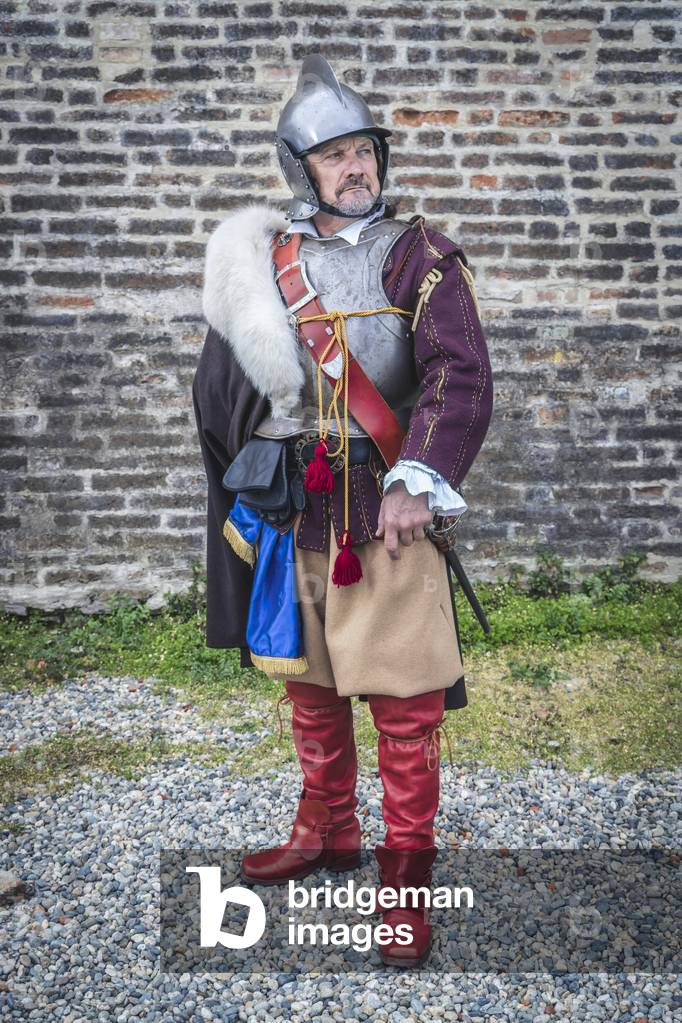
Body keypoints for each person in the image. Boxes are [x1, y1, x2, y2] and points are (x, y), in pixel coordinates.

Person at [192, 54, 494, 968]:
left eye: (364, 150)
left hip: (388, 511)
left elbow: (461, 375)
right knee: (310, 689)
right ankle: (326, 828)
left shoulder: (420, 256)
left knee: (404, 708)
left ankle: (404, 885)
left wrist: (417, 478)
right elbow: (224, 385)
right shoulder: (266, 264)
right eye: (334, 156)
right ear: (301, 169)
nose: (355, 166)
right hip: (294, 512)